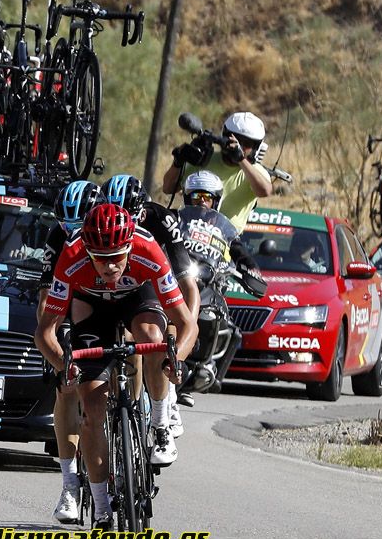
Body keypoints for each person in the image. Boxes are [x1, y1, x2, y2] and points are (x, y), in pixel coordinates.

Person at [35, 204, 198, 539]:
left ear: (129, 247)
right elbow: (44, 332)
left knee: (153, 335)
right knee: (92, 409)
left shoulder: (148, 249)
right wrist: (66, 365)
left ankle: (158, 424)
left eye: (117, 257)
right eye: (100, 258)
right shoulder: (72, 257)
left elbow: (187, 324)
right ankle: (104, 516)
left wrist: (177, 360)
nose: (109, 266)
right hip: (91, 308)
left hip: (137, 300)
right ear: (87, 251)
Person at [101, 174, 197, 433]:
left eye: (130, 219)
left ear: (142, 212)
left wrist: (184, 341)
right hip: (112, 282)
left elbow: (188, 285)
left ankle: (164, 405)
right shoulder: (98, 223)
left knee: (156, 331)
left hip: (153, 278)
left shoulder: (162, 220)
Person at [37, 180, 103, 525]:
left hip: (113, 303)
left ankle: (138, 417)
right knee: (66, 387)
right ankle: (70, 484)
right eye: (66, 226)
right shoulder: (57, 239)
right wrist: (58, 350)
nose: (72, 233)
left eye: (79, 226)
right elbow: (47, 300)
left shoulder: (119, 232)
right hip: (74, 307)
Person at [179, 171, 261, 393]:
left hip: (210, 283)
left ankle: (212, 369)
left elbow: (238, 249)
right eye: (196, 198)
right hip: (181, 279)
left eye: (207, 198)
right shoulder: (177, 221)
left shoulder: (224, 230)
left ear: (216, 200)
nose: (202, 203)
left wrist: (251, 268)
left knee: (229, 326)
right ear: (187, 199)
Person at [161, 111, 273, 231]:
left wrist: (241, 159)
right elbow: (168, 188)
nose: (239, 146)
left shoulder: (254, 171)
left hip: (227, 241)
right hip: (189, 233)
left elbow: (265, 191)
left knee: (240, 251)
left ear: (255, 148)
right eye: (236, 140)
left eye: (246, 144)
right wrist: (178, 162)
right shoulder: (205, 160)